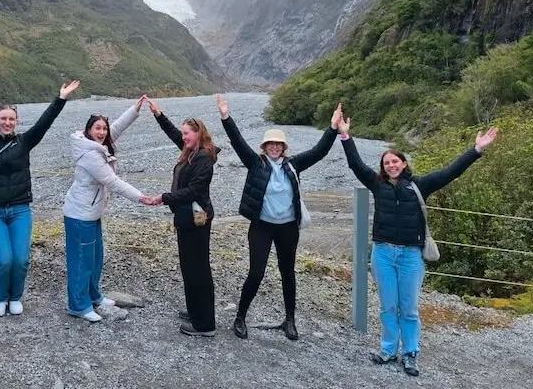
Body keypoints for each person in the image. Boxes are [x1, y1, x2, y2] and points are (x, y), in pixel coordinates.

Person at [338, 114, 498, 376]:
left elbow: (450, 172)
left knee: (409, 309)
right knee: (388, 306)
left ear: (403, 163)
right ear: (383, 167)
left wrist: (476, 149)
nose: (391, 165)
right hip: (383, 254)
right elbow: (355, 164)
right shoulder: (377, 185)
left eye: (395, 161)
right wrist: (344, 135)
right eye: (386, 162)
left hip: (411, 255)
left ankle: (410, 353)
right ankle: (388, 350)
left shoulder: (419, 185)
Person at [216, 94, 342, 340]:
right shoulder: (255, 163)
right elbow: (237, 141)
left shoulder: (294, 164)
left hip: (287, 228)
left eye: (278, 144)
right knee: (256, 272)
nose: (274, 147)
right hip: (261, 227)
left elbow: (319, 152)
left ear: (284, 148)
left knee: (288, 272)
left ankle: (290, 319)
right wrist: (225, 116)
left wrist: (332, 128)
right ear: (264, 147)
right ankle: (240, 316)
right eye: (270, 144)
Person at [0, 72, 80, 317]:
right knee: (3, 259)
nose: (7, 122)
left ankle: (15, 297)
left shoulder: (24, 142)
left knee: (21, 259)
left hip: (19, 210)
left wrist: (61, 98)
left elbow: (44, 123)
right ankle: (0, 298)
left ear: (16, 121)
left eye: (11, 119)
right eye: (3, 118)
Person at [62, 96, 153, 322]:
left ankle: (93, 295)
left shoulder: (97, 143)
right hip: (79, 214)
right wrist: (141, 198)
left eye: (103, 128)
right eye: (97, 128)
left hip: (92, 212)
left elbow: (116, 128)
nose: (102, 132)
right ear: (88, 131)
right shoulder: (91, 154)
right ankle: (78, 305)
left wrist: (134, 109)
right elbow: (113, 182)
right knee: (82, 260)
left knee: (95, 257)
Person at [143, 99, 219, 337]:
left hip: (197, 220)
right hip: (186, 220)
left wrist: (164, 198)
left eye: (187, 134)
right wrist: (158, 115)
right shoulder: (191, 151)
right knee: (189, 266)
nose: (183, 137)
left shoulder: (204, 159)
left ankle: (205, 324)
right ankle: (195, 310)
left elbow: (194, 191)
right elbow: (173, 133)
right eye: (184, 134)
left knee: (198, 269)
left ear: (198, 134)